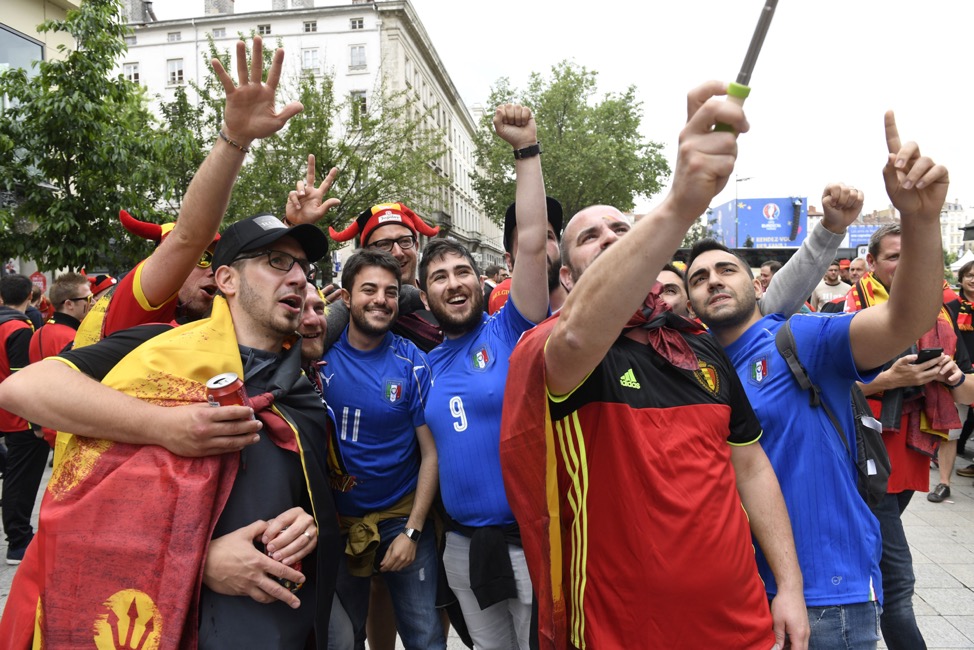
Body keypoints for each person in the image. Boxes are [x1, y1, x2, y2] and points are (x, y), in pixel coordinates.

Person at [502, 81, 808, 650]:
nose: (613, 240)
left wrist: (788, 585)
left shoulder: (702, 346)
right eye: (590, 238)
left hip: (740, 623)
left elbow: (751, 469)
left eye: (623, 229)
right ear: (566, 278)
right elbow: (576, 332)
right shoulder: (554, 349)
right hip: (622, 634)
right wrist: (679, 203)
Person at [0, 214, 340, 648]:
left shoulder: (301, 390)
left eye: (302, 268)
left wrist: (306, 525)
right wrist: (166, 428)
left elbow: (304, 499)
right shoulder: (155, 349)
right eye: (277, 261)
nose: (297, 277)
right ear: (227, 280)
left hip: (276, 630)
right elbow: (24, 388)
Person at [685, 114, 949, 650]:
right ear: (689, 303)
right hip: (739, 596)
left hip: (826, 601)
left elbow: (906, 318)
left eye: (726, 269)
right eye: (698, 278)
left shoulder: (802, 340)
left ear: (756, 285)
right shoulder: (697, 372)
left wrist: (920, 220)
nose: (713, 280)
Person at [420, 103, 549, 649]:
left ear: (480, 281)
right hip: (463, 550)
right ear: (424, 295)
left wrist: (525, 151)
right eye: (439, 277)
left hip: (531, 543)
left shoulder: (510, 330)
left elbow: (534, 242)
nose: (453, 284)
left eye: (462, 272)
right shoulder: (421, 369)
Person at [846, 222, 974, 649]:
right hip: (866, 455)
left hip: (914, 452)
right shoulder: (851, 311)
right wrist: (887, 378)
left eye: (911, 255)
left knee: (874, 556)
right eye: (893, 256)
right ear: (873, 263)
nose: (904, 265)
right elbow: (826, 386)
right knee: (899, 578)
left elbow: (969, 389)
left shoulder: (941, 313)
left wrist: (955, 377)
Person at [322, 249, 443, 650]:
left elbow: (431, 454)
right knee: (345, 638)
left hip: (400, 517)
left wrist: (412, 531)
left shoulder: (413, 363)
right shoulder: (317, 358)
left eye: (391, 292)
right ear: (346, 298)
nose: (381, 300)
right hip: (335, 524)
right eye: (369, 289)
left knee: (425, 638)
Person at [325, 200, 442, 352]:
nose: (398, 253)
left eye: (405, 241)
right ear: (367, 253)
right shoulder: (352, 309)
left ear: (417, 246)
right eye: (384, 244)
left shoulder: (444, 301)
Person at [27, 273, 92, 446]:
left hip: (48, 423)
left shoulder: (40, 332)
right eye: (88, 298)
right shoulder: (75, 337)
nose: (92, 303)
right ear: (69, 304)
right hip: (69, 429)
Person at [0, 274, 38, 566]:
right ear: (30, 295)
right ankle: (18, 540)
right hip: (18, 417)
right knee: (20, 480)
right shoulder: (19, 329)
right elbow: (22, 378)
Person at [487, 196, 565, 314]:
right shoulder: (500, 329)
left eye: (547, 237)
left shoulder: (594, 312)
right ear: (509, 261)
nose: (539, 246)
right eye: (527, 240)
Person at [948, 260, 974, 470]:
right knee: (956, 421)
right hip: (959, 369)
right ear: (962, 279)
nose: (973, 280)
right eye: (969, 275)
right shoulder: (951, 308)